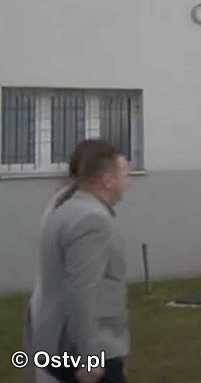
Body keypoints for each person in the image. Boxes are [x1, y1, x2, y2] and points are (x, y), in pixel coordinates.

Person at [27, 140, 131, 383]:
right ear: (107, 180)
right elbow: (82, 291)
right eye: (125, 173)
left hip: (60, 345)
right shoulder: (92, 220)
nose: (129, 181)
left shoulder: (63, 210)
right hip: (86, 351)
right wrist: (89, 357)